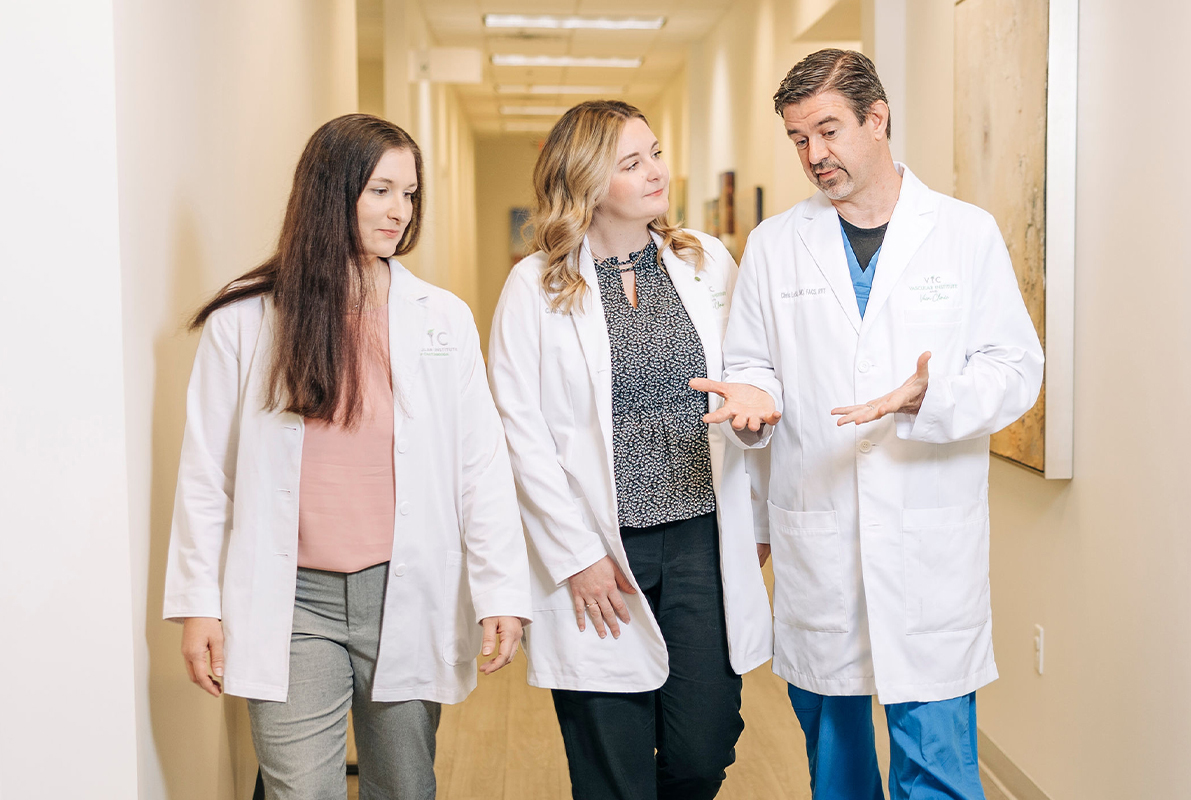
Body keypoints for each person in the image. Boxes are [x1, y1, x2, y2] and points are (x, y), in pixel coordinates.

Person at [692, 50, 1045, 800]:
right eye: (798, 139)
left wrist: (927, 395)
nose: (814, 155)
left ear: (876, 118)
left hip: (928, 549)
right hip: (819, 540)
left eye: (828, 130)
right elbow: (755, 366)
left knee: (939, 771)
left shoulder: (963, 234)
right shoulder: (775, 246)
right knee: (838, 774)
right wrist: (751, 407)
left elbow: (1017, 370)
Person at [162, 113, 531, 800]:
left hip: (405, 583)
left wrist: (501, 590)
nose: (400, 212)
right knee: (302, 790)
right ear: (333, 193)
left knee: (403, 787)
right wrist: (198, 607)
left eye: (410, 194)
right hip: (292, 599)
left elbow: (479, 464)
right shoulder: (246, 321)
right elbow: (207, 473)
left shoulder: (441, 317)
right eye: (381, 191)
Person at [487, 100, 773, 800]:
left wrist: (753, 423)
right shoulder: (535, 287)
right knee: (612, 771)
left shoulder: (704, 261)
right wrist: (576, 556)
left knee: (703, 749)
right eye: (632, 162)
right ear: (585, 180)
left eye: (656, 152)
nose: (657, 172)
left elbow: (751, 382)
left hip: (701, 537)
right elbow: (519, 433)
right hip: (601, 555)